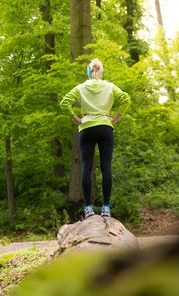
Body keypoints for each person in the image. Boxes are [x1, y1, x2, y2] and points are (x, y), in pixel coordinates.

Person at [60, 58, 131, 218]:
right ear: (101, 71)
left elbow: (65, 103)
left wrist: (77, 119)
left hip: (86, 128)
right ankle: (106, 208)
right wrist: (114, 119)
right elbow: (126, 100)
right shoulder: (110, 87)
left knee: (86, 167)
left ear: (89, 72)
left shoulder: (80, 87)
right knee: (106, 167)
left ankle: (88, 209)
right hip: (105, 127)